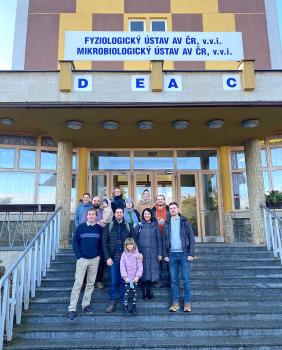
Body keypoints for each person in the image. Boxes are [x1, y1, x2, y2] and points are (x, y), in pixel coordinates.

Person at [67, 208, 102, 321]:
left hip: (94, 259)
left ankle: (85, 305)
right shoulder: (80, 227)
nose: (91, 216)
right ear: (87, 216)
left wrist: (99, 256)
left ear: (96, 216)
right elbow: (75, 242)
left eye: (93, 214)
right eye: (89, 214)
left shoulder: (98, 228)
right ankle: (72, 309)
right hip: (82, 259)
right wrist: (79, 256)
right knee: (78, 284)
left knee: (90, 283)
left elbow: (101, 243)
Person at [163, 202, 195, 313]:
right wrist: (165, 255)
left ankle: (187, 303)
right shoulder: (167, 222)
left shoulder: (185, 221)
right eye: (170, 208)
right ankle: (175, 303)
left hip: (183, 254)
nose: (172, 210)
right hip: (171, 255)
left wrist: (191, 254)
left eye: (174, 208)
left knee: (186, 280)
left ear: (178, 209)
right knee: (174, 281)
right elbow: (164, 240)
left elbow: (191, 237)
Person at [102, 207, 135, 313]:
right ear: (114, 214)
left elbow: (134, 242)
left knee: (123, 281)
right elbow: (104, 242)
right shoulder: (109, 226)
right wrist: (107, 257)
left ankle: (123, 302)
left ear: (123, 214)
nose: (119, 214)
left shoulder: (128, 226)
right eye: (117, 212)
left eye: (121, 212)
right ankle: (112, 302)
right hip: (113, 259)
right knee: (114, 281)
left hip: (126, 260)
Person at [136, 208, 162, 300]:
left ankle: (150, 292)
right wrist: (138, 252)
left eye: (148, 214)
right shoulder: (139, 226)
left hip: (153, 253)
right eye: (145, 214)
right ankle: (144, 292)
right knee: (143, 272)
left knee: (151, 272)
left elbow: (159, 240)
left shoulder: (155, 226)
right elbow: (135, 240)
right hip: (142, 253)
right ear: (143, 215)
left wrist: (160, 253)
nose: (147, 215)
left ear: (151, 215)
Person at [120, 238, 143, 315]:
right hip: (127, 279)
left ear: (133, 245)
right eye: (128, 245)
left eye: (131, 244)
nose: (129, 246)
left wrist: (138, 276)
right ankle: (125, 306)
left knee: (134, 293)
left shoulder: (137, 255)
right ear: (125, 246)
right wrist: (125, 277)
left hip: (134, 279)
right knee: (126, 292)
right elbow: (122, 266)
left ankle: (133, 306)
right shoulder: (123, 255)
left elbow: (140, 266)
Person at [152, 194, 170, 287]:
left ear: (164, 200)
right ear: (156, 201)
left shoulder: (169, 210)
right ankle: (158, 279)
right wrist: (157, 222)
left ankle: (168, 281)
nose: (160, 201)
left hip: (167, 237)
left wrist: (164, 222)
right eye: (158, 199)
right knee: (157, 259)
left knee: (168, 259)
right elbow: (149, 221)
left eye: (161, 199)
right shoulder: (152, 210)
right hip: (156, 237)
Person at [91, 195, 106, 289]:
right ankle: (86, 282)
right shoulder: (87, 211)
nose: (96, 202)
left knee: (100, 261)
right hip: (89, 239)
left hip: (100, 238)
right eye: (94, 200)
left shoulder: (103, 212)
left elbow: (105, 222)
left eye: (98, 201)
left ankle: (99, 280)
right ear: (92, 201)